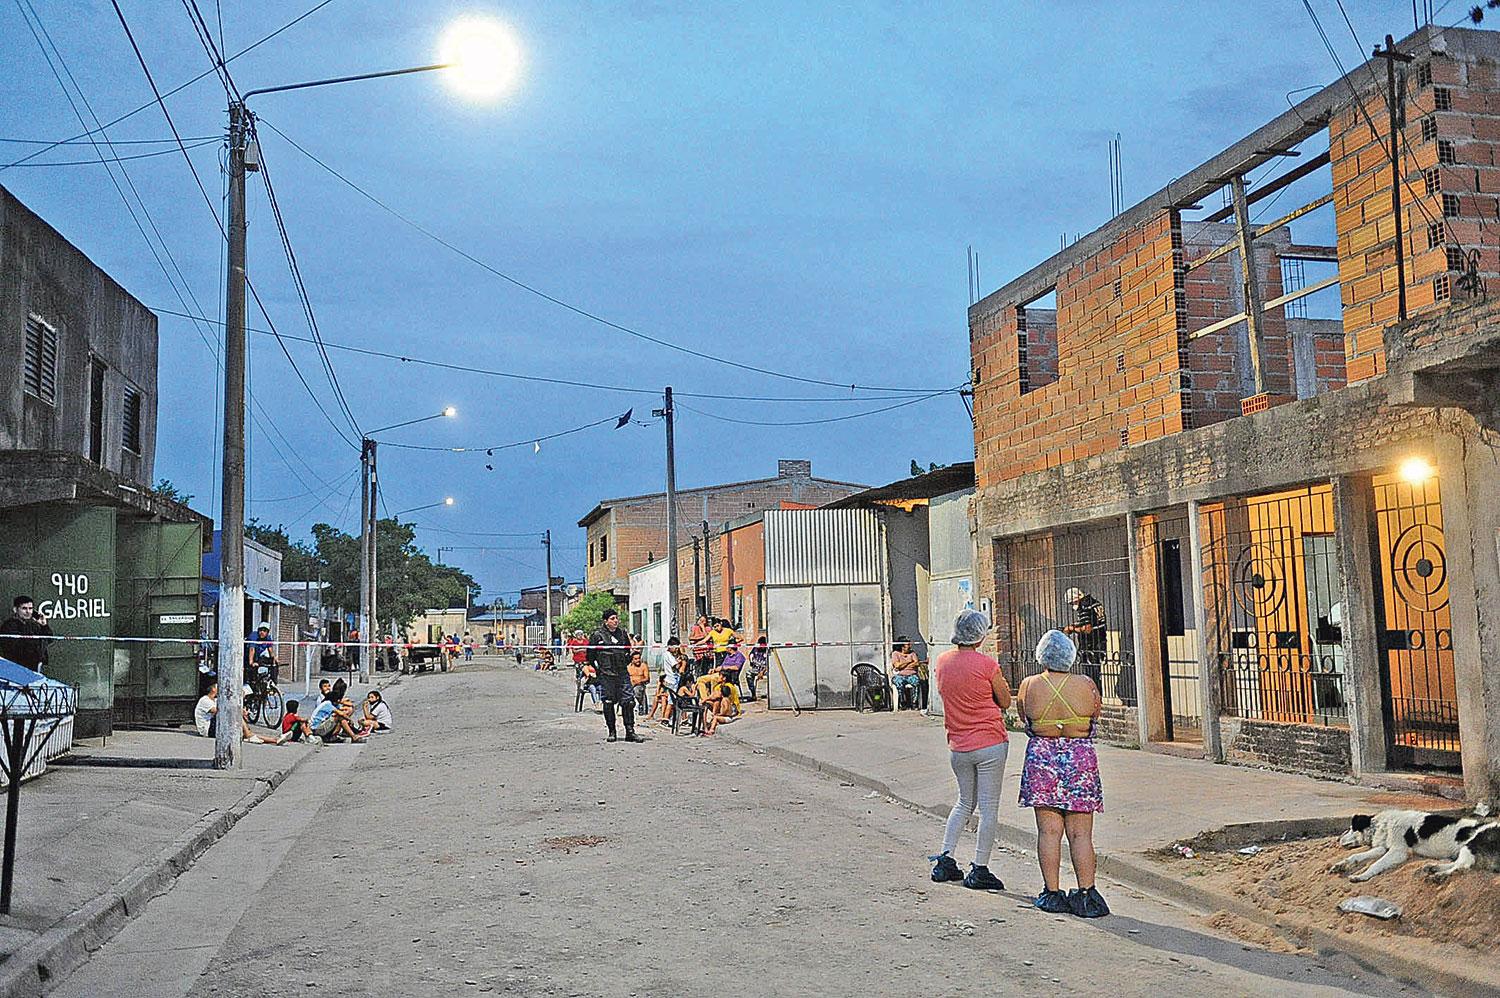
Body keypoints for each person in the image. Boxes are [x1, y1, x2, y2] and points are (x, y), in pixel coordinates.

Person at [1017, 629, 1107, 918]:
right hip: (1079, 758)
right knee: (1081, 834)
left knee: (1049, 831)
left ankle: (1052, 892)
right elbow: (1095, 714)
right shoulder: (1087, 685)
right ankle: (1087, 892)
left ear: (1042, 656)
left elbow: (1024, 716)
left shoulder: (1029, 685)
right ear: (1071, 655)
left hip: (1042, 758)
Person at [931, 609, 1011, 892]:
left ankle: (946, 858)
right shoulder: (987, 665)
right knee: (988, 809)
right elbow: (1004, 701)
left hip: (958, 744)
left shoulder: (942, 662)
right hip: (989, 742)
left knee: (964, 802)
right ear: (980, 635)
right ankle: (980, 867)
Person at [588, 609, 644, 743]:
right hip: (606, 674)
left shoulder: (622, 634)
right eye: (612, 618)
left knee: (628, 701)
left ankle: (630, 731)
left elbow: (628, 650)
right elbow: (590, 655)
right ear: (606, 621)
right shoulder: (598, 635)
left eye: (616, 618)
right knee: (608, 702)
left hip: (622, 673)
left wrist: (630, 657)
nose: (615, 621)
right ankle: (612, 731)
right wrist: (599, 669)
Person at [1062, 587, 1107, 687]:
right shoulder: (1094, 602)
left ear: (1075, 599)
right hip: (1100, 640)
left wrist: (1072, 629)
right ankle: (1097, 697)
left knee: (1090, 676)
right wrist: (1077, 625)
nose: (1072, 606)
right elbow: (1093, 622)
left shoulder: (1084, 606)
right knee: (1096, 674)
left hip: (1091, 644)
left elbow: (1087, 629)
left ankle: (1093, 698)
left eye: (1071, 603)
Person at [0, 595, 53, 671]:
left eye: (30, 608)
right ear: (15, 609)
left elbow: (49, 639)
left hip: (34, 667)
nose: (28, 612)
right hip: (16, 667)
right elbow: (14, 648)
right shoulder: (9, 626)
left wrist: (44, 625)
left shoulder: (33, 625)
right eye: (24, 608)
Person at [890, 638, 922, 709]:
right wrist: (909, 661)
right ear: (902, 646)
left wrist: (902, 665)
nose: (910, 646)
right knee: (899, 683)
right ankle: (903, 702)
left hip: (912, 674)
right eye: (907, 644)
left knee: (916, 682)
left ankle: (914, 702)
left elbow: (916, 663)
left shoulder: (912, 653)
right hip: (900, 675)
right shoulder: (895, 654)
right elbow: (897, 666)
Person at [745, 636, 770, 702]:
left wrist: (762, 672)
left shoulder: (768, 651)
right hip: (756, 669)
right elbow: (751, 657)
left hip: (766, 670)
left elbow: (769, 664)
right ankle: (753, 694)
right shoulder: (755, 649)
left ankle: (770, 693)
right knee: (748, 673)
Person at [628, 650, 651, 716]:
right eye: (635, 659)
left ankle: (641, 705)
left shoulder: (643, 666)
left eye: (639, 658)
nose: (638, 660)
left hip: (640, 684)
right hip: (630, 684)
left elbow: (647, 678)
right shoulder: (629, 667)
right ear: (632, 659)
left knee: (637, 690)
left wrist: (638, 682)